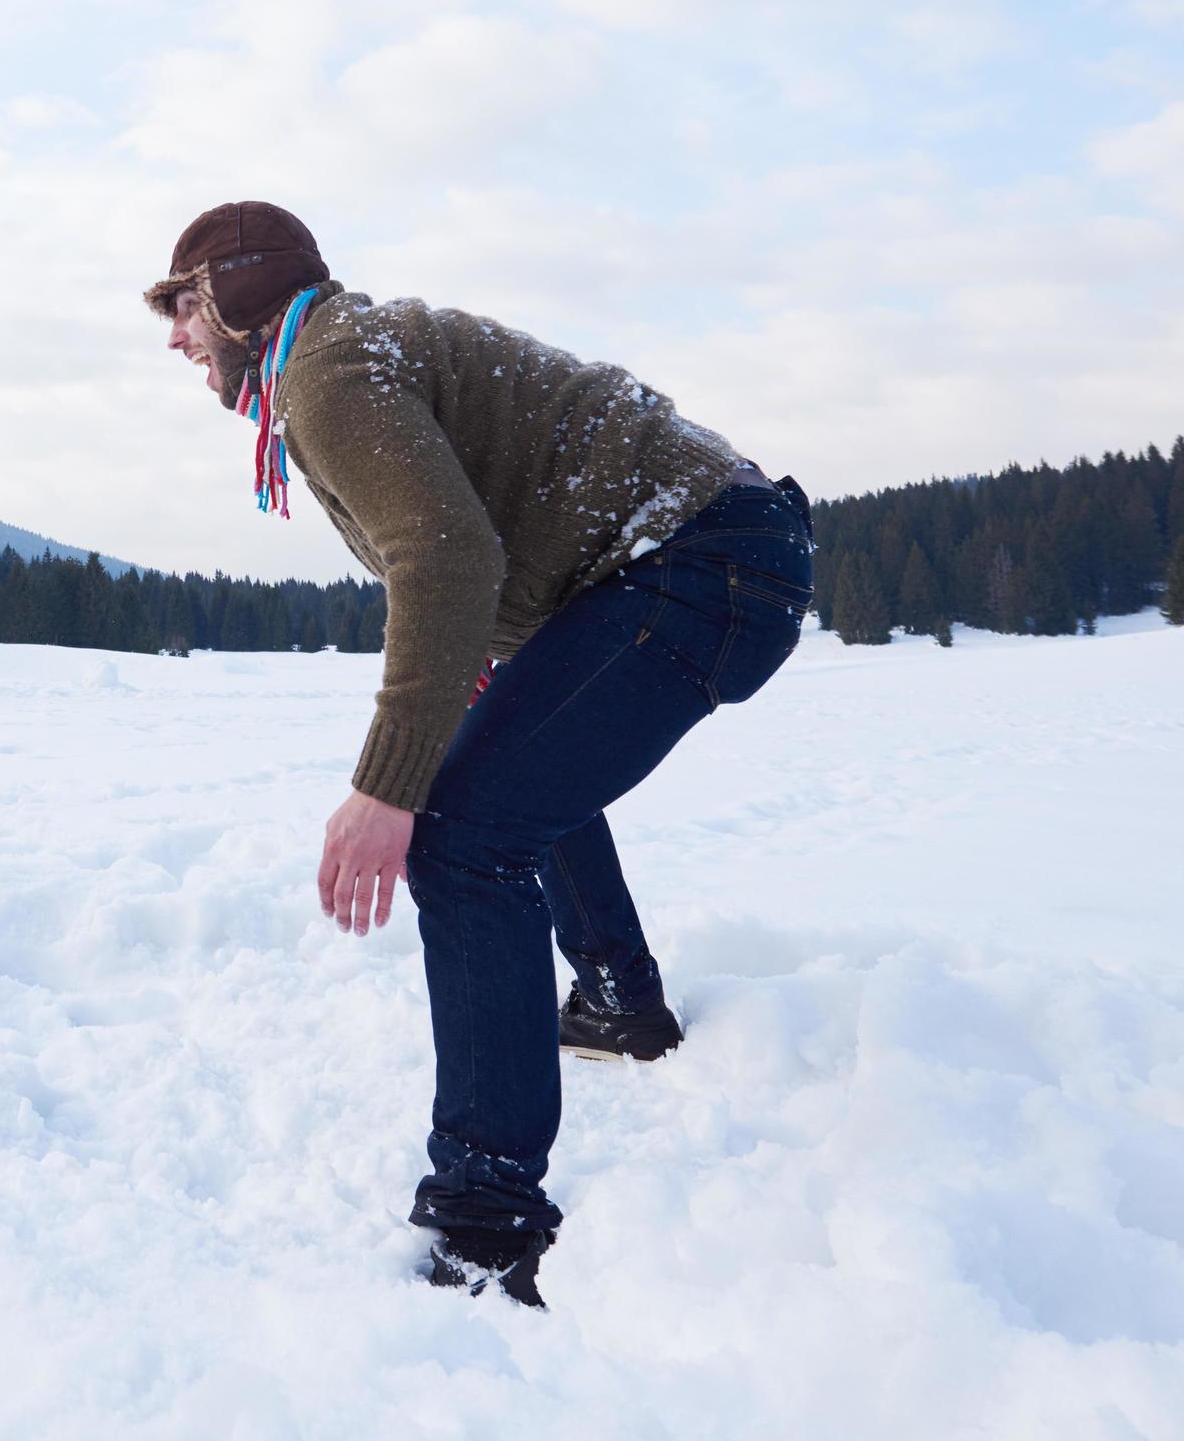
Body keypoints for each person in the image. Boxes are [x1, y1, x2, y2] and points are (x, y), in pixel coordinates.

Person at [145, 202, 812, 1308]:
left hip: (700, 564)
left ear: (236, 293)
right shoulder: (344, 355)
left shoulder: (327, 369)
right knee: (502, 771)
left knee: (455, 837)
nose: (174, 337)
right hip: (715, 552)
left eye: (181, 307)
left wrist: (385, 788)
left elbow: (447, 554)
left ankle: (484, 1228)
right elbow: (474, 551)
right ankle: (615, 996)